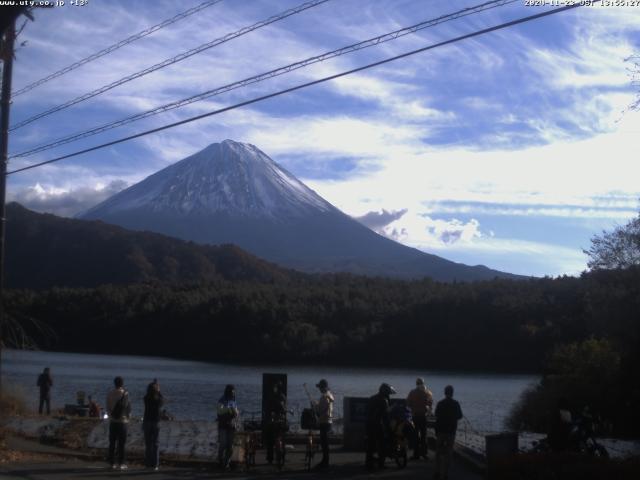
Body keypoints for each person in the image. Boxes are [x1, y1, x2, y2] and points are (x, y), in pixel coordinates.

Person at [434, 385, 463, 480]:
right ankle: (446, 474)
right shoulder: (456, 403)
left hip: (441, 430)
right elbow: (460, 416)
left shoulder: (440, 403)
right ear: (452, 393)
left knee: (438, 452)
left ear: (445, 392)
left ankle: (437, 471)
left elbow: (436, 415)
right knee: (449, 452)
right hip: (451, 431)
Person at [365, 383, 395, 470]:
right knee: (382, 445)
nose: (389, 395)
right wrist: (389, 430)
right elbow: (385, 417)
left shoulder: (372, 398)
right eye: (388, 393)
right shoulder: (384, 400)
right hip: (377, 425)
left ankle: (368, 463)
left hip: (369, 424)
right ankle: (381, 464)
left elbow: (367, 412)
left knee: (370, 445)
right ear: (385, 392)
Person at [106, 376, 131, 470]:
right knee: (121, 444)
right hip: (122, 421)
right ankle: (121, 463)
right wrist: (128, 418)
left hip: (113, 422)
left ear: (114, 383)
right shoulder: (125, 394)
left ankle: (111, 463)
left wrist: (111, 416)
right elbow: (128, 408)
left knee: (112, 443)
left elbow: (107, 407)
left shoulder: (110, 393)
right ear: (122, 384)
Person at [407, 377, 433, 460]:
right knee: (424, 435)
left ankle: (416, 454)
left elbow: (408, 403)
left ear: (416, 384)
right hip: (423, 417)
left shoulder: (412, 392)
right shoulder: (428, 393)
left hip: (415, 416)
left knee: (415, 435)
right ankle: (424, 454)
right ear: (423, 383)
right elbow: (430, 404)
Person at [263, 381, 287, 465]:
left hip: (272, 421)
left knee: (270, 440)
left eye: (275, 387)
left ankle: (270, 458)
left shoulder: (272, 396)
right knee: (282, 438)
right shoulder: (283, 397)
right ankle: (283, 456)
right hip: (281, 420)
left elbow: (267, 409)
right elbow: (284, 409)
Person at [313, 379, 334, 469]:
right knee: (325, 444)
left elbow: (320, 411)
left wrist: (315, 406)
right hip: (328, 422)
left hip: (324, 422)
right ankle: (325, 461)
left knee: (324, 444)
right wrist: (318, 405)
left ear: (323, 387)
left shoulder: (324, 397)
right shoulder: (330, 395)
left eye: (320, 387)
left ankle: (325, 463)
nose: (319, 389)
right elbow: (326, 408)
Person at [143, 380, 164, 470]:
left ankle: (148, 463)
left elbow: (147, 396)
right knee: (156, 443)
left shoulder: (146, 398)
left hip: (147, 421)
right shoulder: (158, 399)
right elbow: (162, 401)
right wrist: (159, 391)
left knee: (148, 444)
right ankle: (155, 464)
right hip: (156, 422)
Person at [217, 384, 239, 469]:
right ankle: (220, 460)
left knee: (230, 446)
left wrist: (236, 412)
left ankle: (227, 462)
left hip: (232, 426)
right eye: (232, 391)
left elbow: (237, 411)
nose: (233, 393)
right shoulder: (222, 400)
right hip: (223, 426)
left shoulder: (233, 401)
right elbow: (219, 411)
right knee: (223, 444)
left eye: (234, 392)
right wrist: (229, 410)